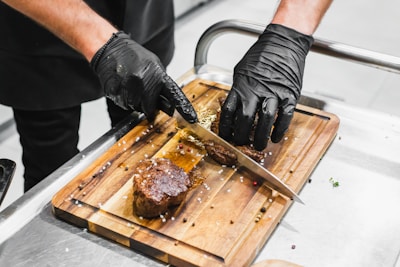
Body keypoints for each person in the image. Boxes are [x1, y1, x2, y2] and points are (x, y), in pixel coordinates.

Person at [0, 0, 332, 192]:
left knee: (145, 136)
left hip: (144, 13)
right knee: (51, 164)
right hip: (36, 26)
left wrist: (290, 31)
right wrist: (99, 39)